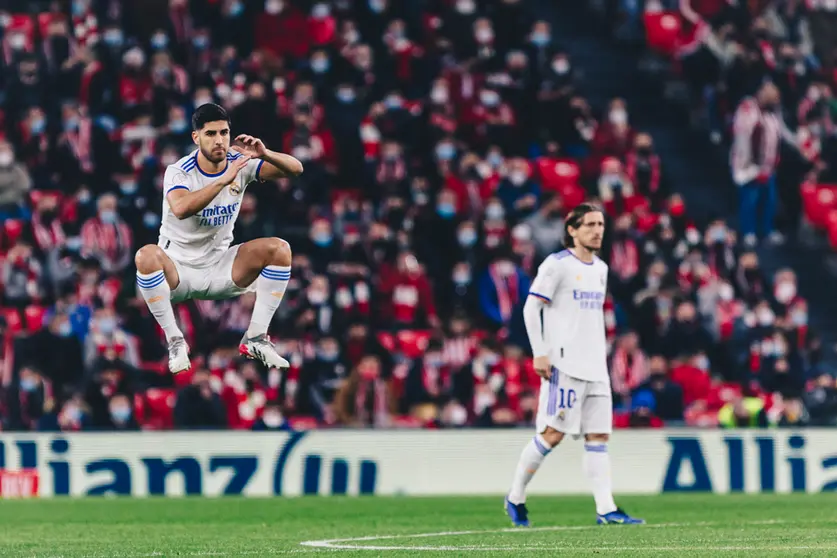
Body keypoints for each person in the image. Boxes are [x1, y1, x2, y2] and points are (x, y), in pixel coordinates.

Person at [134, 103, 303, 373]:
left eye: (224, 133)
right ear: (196, 137)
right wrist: (223, 180)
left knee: (280, 249)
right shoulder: (178, 171)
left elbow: (295, 169)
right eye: (211, 134)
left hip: (219, 266)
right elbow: (180, 208)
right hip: (178, 271)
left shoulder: (239, 164)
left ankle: (256, 337)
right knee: (145, 255)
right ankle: (175, 340)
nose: (219, 140)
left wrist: (265, 154)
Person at [505, 203, 644, 526]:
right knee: (552, 435)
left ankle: (606, 509)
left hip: (597, 367)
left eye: (600, 225)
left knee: (598, 438)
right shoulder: (556, 265)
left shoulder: (601, 268)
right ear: (572, 229)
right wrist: (540, 352)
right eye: (590, 225)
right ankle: (515, 495)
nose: (598, 230)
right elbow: (531, 308)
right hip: (565, 365)